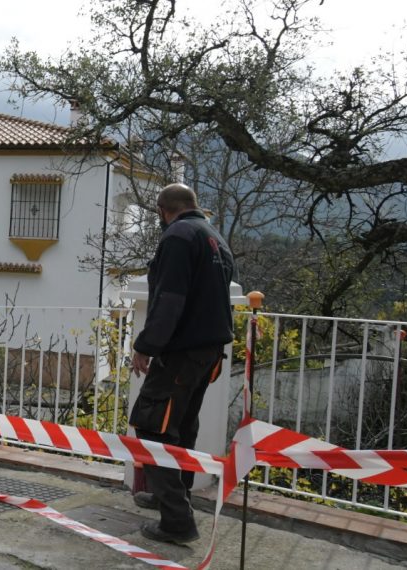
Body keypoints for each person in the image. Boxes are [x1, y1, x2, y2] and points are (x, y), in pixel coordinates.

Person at [129, 183, 235, 544]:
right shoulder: (213, 236)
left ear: (163, 211)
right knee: (181, 425)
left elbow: (170, 299)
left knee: (152, 427)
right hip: (208, 352)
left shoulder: (177, 236)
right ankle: (170, 497)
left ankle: (176, 521)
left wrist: (146, 346)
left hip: (181, 352)